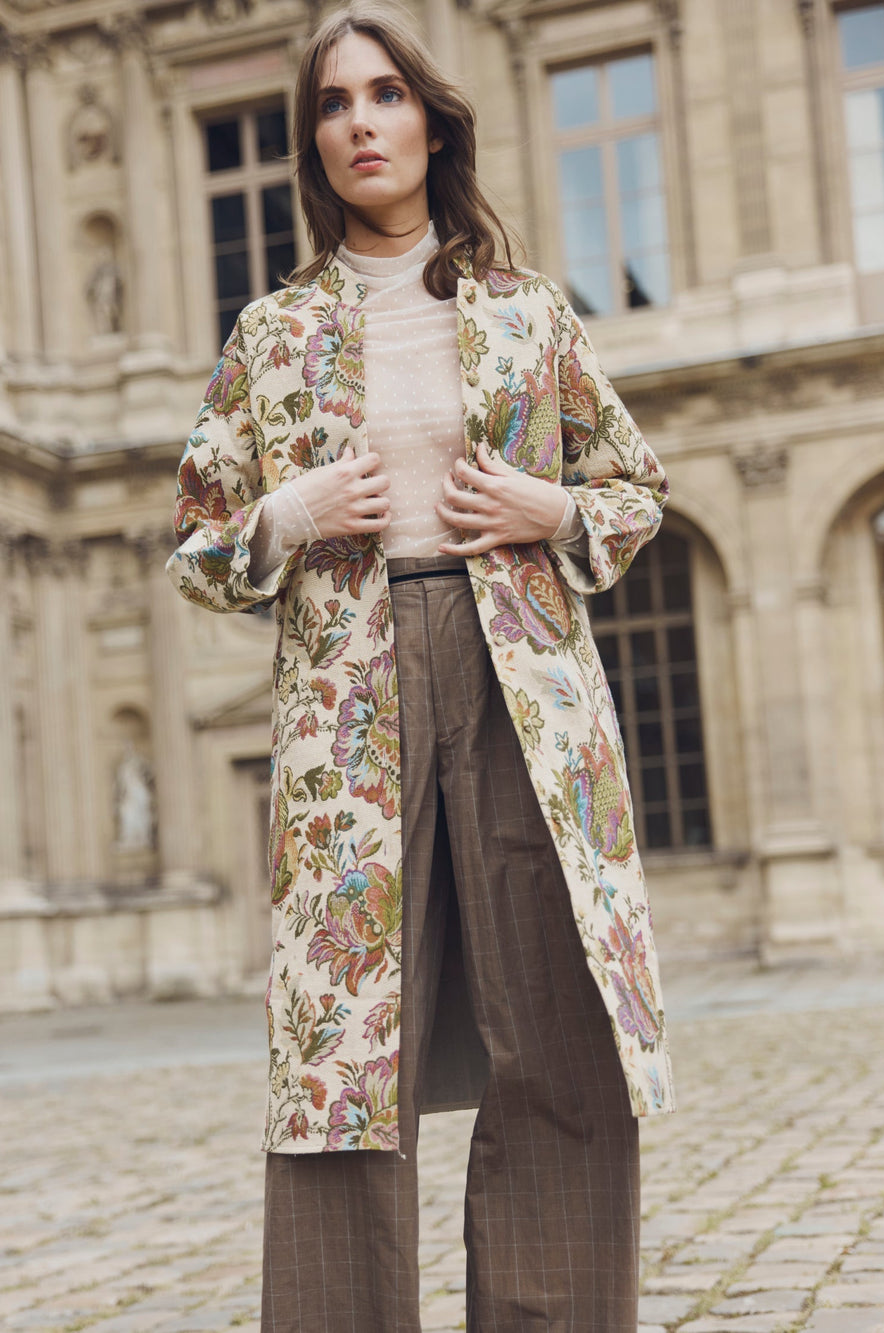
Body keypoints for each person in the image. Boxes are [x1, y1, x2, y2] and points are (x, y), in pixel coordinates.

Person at [167, 4, 675, 1328]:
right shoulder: (270, 334)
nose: (361, 123)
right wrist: (287, 518)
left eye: (386, 94)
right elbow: (198, 550)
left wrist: (550, 510)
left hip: (526, 691)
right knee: (339, 1055)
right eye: (333, 104)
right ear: (314, 144)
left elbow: (634, 487)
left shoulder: (528, 313)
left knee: (558, 1027)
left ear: (432, 124)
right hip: (349, 703)